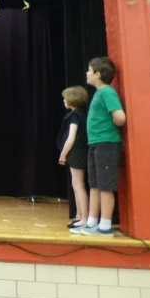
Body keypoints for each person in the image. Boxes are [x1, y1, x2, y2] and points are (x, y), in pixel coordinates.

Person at [78, 57, 126, 237]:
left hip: (107, 143)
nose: (87, 73)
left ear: (98, 74)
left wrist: (112, 123)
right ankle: (91, 222)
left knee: (105, 185)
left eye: (89, 70)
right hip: (96, 143)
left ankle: (105, 226)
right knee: (95, 184)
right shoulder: (99, 93)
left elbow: (120, 117)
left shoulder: (107, 92)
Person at [57, 86, 89, 230]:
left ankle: (84, 217)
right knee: (76, 185)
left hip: (76, 153)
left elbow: (71, 138)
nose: (64, 101)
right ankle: (79, 215)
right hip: (79, 152)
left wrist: (63, 154)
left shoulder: (75, 116)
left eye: (65, 98)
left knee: (78, 185)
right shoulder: (83, 114)